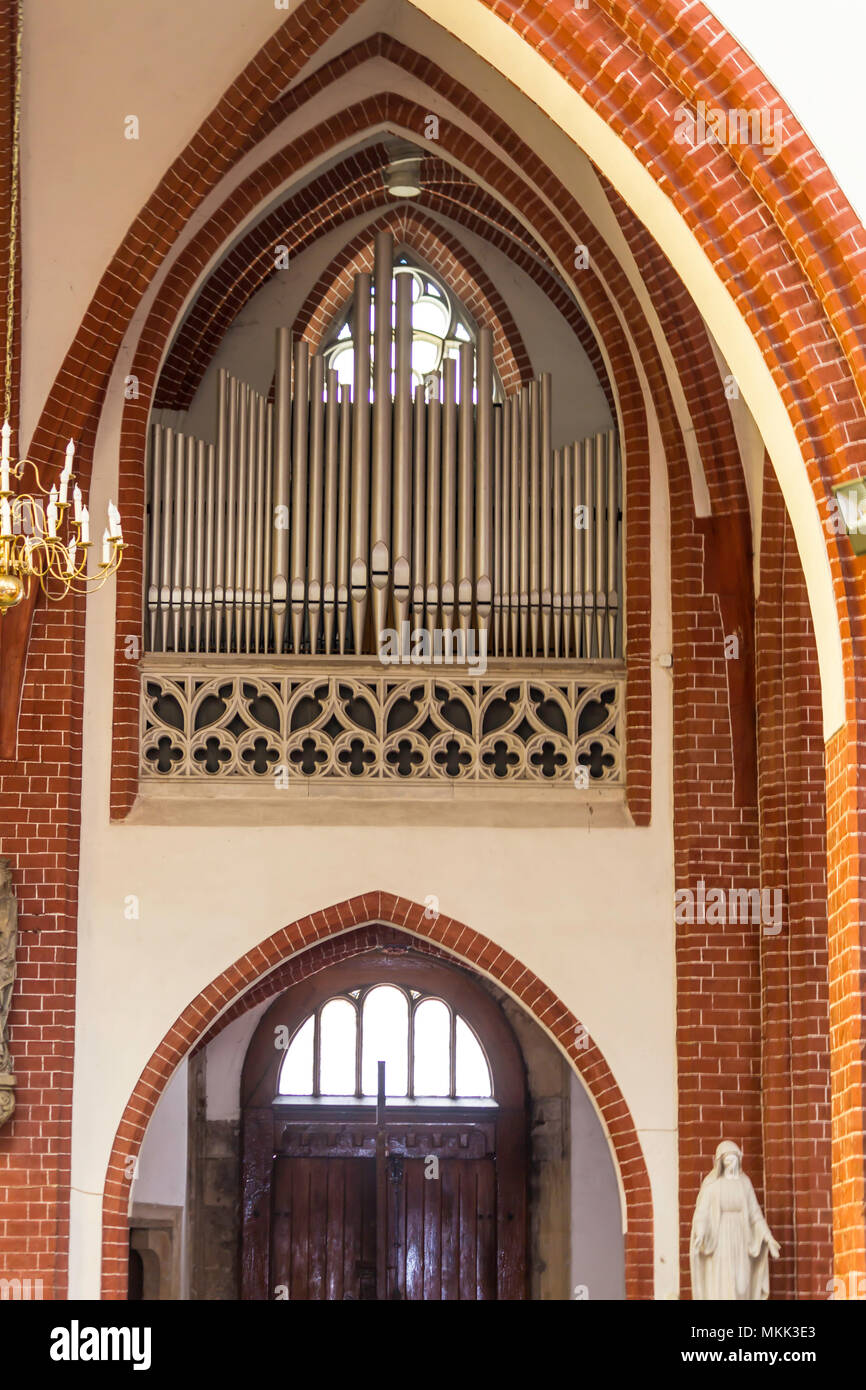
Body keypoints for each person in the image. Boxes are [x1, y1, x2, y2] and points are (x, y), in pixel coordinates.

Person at [690, 1140, 780, 1299]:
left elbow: (755, 1214)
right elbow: (702, 1213)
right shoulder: (712, 1185)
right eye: (727, 1160)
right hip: (721, 1239)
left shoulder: (744, 1183)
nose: (731, 1163)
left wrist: (768, 1238)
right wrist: (701, 1233)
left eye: (734, 1159)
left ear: (739, 1159)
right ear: (721, 1162)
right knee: (724, 1280)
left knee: (742, 1281)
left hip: (741, 1238)